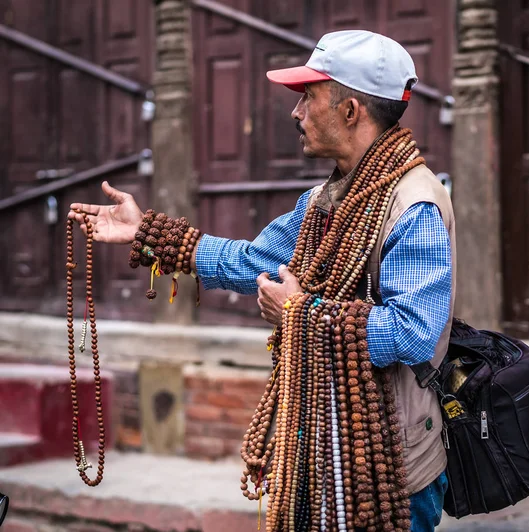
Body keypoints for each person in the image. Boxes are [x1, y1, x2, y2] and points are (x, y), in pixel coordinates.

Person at [70, 30, 455, 532]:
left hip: (387, 471)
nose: (296, 113)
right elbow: (255, 262)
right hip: (320, 456)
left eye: (308, 97)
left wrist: (302, 314)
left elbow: (414, 331)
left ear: (350, 110)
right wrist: (148, 234)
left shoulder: (414, 207)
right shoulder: (324, 200)